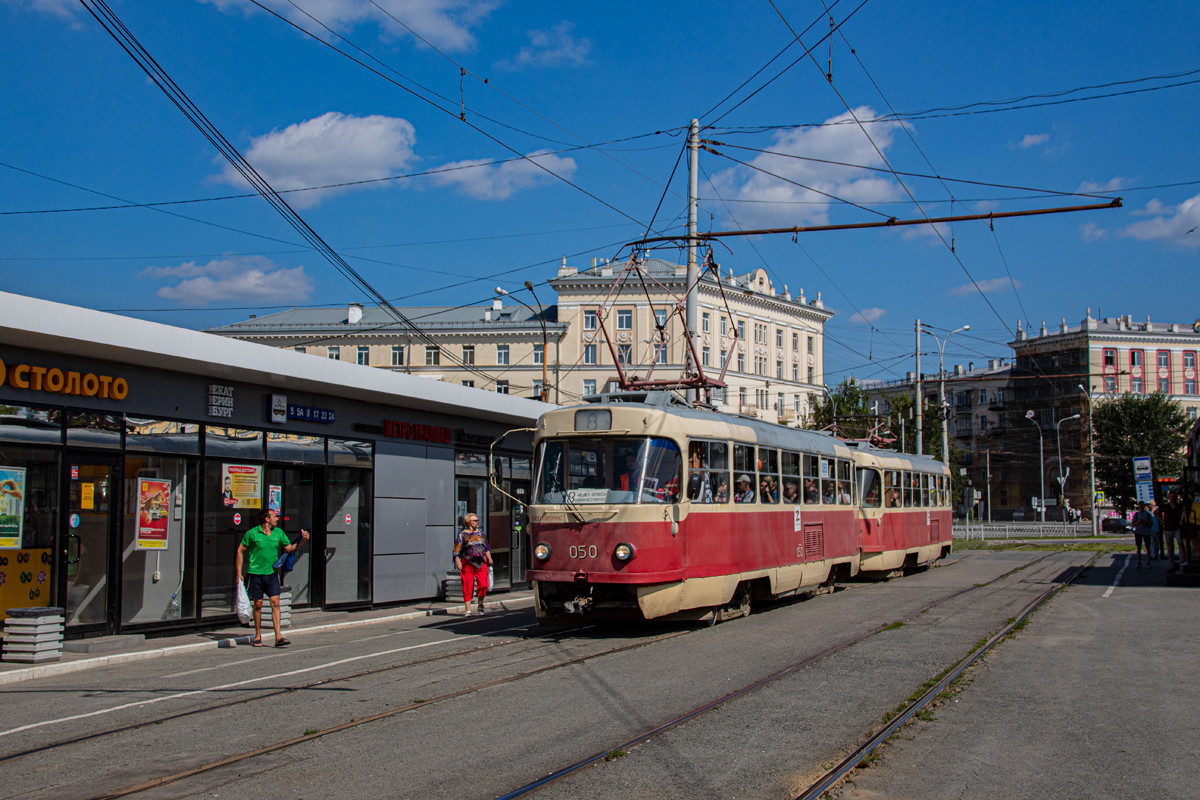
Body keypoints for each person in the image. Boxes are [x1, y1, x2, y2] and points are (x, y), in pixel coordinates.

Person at [236, 508, 309, 647]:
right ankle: (258, 636)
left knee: (275, 603)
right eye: (275, 517)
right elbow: (240, 550)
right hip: (255, 574)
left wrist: (303, 541)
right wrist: (239, 573)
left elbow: (290, 548)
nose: (277, 519)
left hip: (272, 574)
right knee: (257, 605)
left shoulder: (278, 533)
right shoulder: (252, 533)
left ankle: (278, 637)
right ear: (266, 519)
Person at [453, 513, 493, 616]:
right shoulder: (462, 534)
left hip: (481, 561)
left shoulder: (481, 533)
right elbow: (457, 548)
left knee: (483, 584)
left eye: (477, 520)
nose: (477, 522)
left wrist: (490, 559)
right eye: (475, 520)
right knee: (467, 584)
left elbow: (486, 547)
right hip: (467, 561)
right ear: (469, 522)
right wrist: (457, 560)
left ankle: (480, 605)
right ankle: (468, 609)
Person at [1161, 490, 1186, 571]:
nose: (1172, 498)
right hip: (1167, 529)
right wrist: (1161, 520)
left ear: (1176, 497)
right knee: (1170, 548)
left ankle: (1182, 561)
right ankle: (1171, 566)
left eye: (1174, 497)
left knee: (1180, 542)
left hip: (1177, 528)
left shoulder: (1179, 506)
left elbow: (1184, 512)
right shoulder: (1165, 506)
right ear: (1168, 498)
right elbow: (1156, 512)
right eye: (1171, 497)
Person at [1131, 501, 1158, 568]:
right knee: (1138, 547)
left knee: (1148, 547)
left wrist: (1146, 522)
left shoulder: (1148, 514)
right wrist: (1139, 522)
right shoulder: (1136, 514)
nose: (1141, 507)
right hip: (1138, 532)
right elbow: (1133, 524)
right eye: (1140, 505)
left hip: (1146, 532)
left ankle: (1148, 562)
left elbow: (1151, 523)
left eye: (1142, 505)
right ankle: (1139, 562)